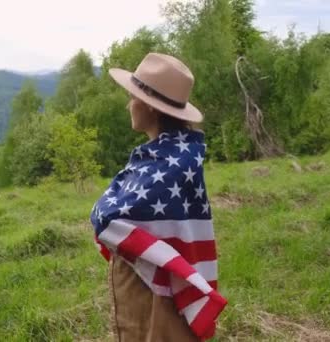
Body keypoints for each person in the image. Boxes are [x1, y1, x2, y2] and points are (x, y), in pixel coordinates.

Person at [90, 53, 227, 341]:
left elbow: (110, 216)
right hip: (151, 283)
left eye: (133, 97)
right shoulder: (167, 155)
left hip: (158, 292)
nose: (129, 104)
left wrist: (102, 209)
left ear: (150, 107)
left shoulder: (171, 163)